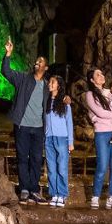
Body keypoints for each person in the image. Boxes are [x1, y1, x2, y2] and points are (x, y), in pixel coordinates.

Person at [1, 36, 48, 203]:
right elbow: (6, 72)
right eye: (36, 61)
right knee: (22, 158)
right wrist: (8, 54)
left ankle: (35, 190)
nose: (37, 63)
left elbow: (58, 96)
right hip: (23, 126)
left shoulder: (48, 86)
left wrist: (66, 99)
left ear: (45, 67)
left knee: (36, 159)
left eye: (40, 61)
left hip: (39, 127)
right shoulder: (22, 79)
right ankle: (24, 189)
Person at [84, 66, 112, 210]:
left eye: (102, 73)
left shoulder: (111, 92)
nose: (102, 76)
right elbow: (100, 112)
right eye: (98, 74)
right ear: (92, 80)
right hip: (102, 133)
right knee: (102, 165)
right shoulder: (90, 94)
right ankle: (95, 196)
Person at [44, 75, 74, 207]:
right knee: (51, 168)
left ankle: (62, 194)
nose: (49, 83)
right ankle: (54, 194)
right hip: (48, 138)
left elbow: (69, 123)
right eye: (49, 81)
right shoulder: (46, 101)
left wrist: (71, 142)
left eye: (52, 82)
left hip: (62, 138)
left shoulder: (64, 103)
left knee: (61, 168)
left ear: (58, 86)